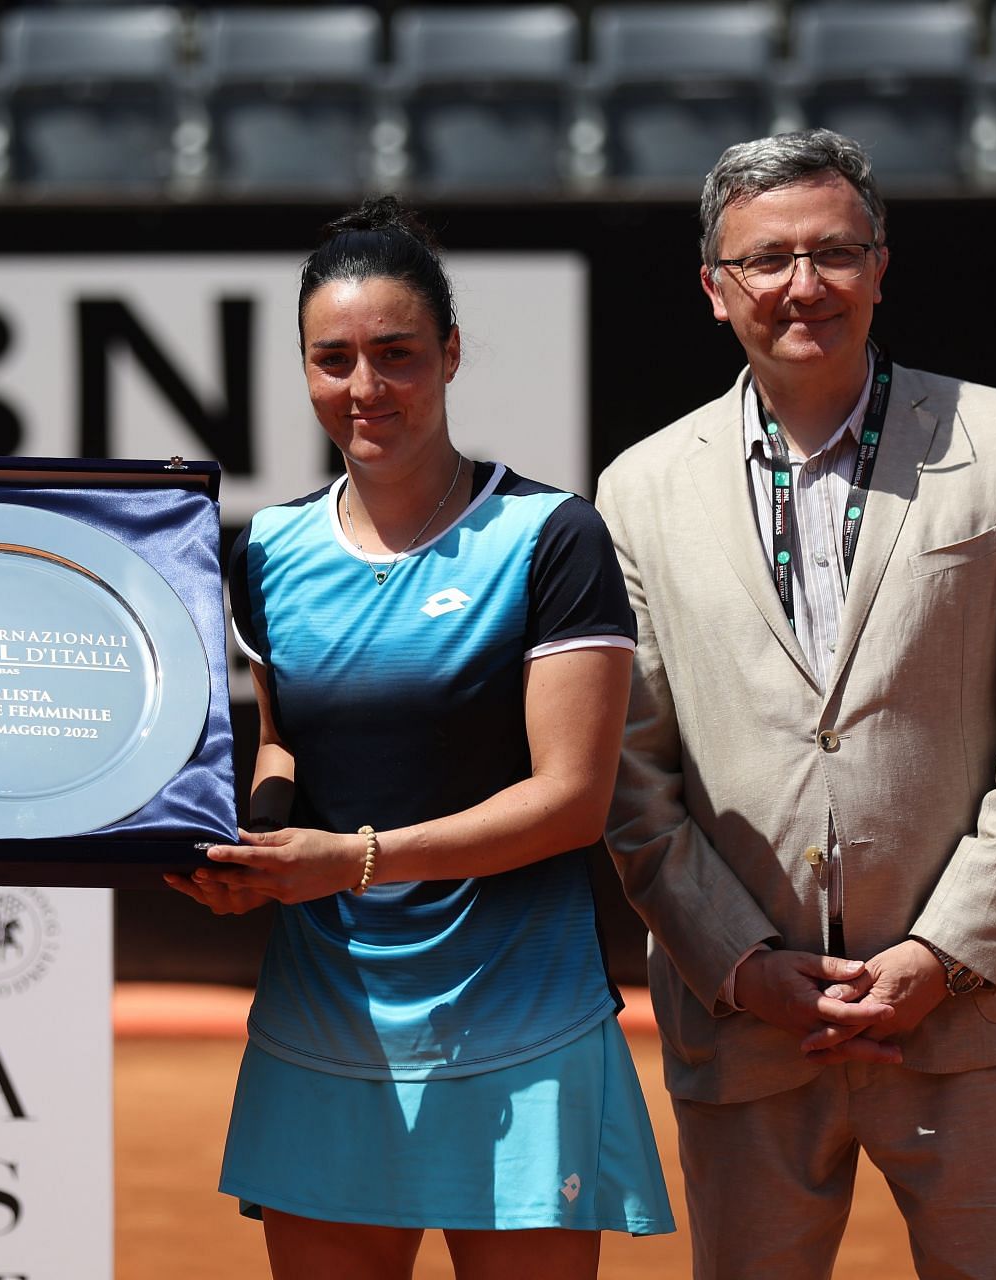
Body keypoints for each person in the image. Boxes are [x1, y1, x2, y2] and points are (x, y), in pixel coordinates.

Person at [595, 129, 996, 1279]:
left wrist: (944, 949)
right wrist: (739, 960)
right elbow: (632, 770)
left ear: (882, 267)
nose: (803, 284)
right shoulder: (638, 487)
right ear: (715, 291)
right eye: (767, 259)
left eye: (834, 251)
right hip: (750, 1025)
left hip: (976, 1016)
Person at [168, 196, 674, 1278]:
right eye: (333, 359)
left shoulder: (549, 536)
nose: (364, 389)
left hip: (522, 1023)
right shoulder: (268, 550)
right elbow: (282, 748)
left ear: (449, 354)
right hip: (324, 1020)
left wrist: (349, 859)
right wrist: (248, 851)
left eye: (396, 355)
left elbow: (572, 798)